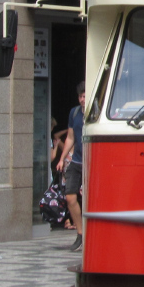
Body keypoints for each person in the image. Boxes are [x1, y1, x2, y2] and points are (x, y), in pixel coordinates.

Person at [59, 82, 86, 252]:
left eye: (85, 96)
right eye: (80, 96)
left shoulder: (96, 113)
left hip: (91, 162)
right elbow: (70, 137)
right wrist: (62, 159)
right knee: (70, 196)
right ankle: (80, 233)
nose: (82, 99)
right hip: (76, 161)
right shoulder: (74, 113)